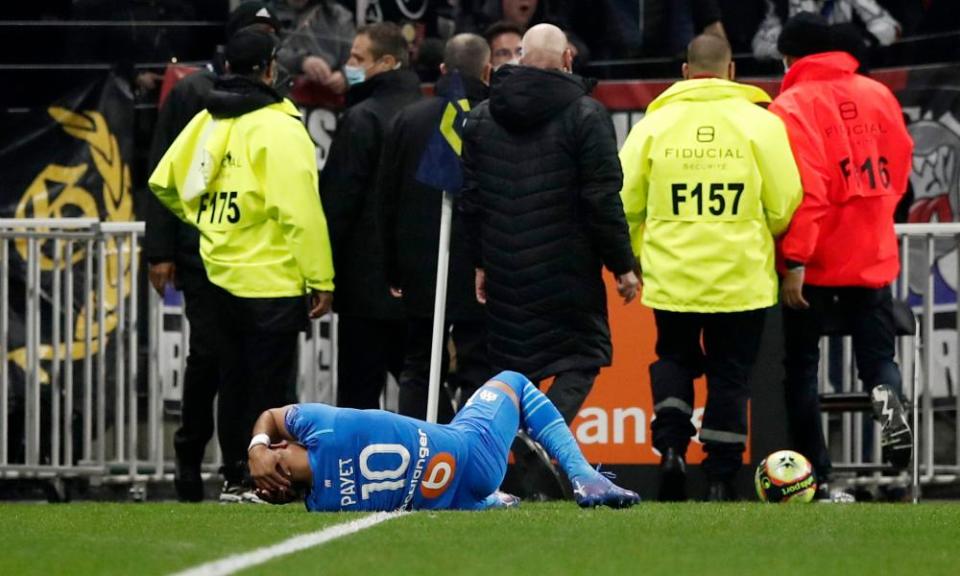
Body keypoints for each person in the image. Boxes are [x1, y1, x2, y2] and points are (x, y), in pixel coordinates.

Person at [149, 29, 335, 502]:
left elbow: (165, 184)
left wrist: (210, 223)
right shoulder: (279, 125)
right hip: (270, 277)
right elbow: (299, 211)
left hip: (218, 273)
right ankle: (268, 479)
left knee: (231, 382)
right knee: (271, 393)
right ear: (271, 67)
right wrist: (321, 277)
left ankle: (236, 475)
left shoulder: (208, 121)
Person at [619, 33, 802, 501]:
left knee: (673, 359)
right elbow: (784, 201)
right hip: (742, 277)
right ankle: (721, 476)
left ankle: (671, 451)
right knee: (731, 374)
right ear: (732, 70)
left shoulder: (653, 125)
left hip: (673, 274)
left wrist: (644, 250)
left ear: (685, 72)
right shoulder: (760, 124)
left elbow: (624, 201)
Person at [460, 24, 639, 429]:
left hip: (505, 268)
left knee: (515, 372)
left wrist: (481, 263)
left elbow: (471, 202)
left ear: (521, 57)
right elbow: (602, 199)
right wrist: (622, 265)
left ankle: (517, 450)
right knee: (583, 357)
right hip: (568, 271)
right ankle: (535, 447)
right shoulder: (586, 114)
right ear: (568, 58)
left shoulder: (481, 118)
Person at [769, 12, 914, 498]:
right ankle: (888, 396)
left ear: (790, 56)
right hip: (871, 253)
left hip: (816, 262)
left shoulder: (791, 105)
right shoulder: (878, 94)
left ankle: (818, 472)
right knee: (878, 357)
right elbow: (902, 164)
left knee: (802, 369)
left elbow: (809, 192)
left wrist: (796, 262)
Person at [144, 1, 281, 502]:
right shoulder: (192, 94)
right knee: (208, 358)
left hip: (254, 255)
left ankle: (237, 467)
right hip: (200, 251)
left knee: (239, 364)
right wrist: (160, 249)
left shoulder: (272, 101)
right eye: (257, 32)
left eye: (269, 32)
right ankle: (189, 455)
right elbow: (163, 170)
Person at [246, 370, 640, 510]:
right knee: (514, 383)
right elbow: (273, 417)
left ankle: (490, 501)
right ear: (280, 446)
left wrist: (274, 476)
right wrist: (256, 447)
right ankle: (584, 476)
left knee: (422, 493)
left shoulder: (324, 504)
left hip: (460, 492)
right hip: (471, 448)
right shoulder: (320, 427)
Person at [380, 34, 493, 422]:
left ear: (443, 70)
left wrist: (392, 266)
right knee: (481, 370)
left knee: (419, 369)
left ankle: (421, 461)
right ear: (488, 71)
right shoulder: (498, 119)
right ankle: (477, 464)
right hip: (482, 267)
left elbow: (387, 199)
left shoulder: (408, 120)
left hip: (420, 266)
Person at [319, 23, 422, 409]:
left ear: (388, 62)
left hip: (365, 288)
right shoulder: (427, 115)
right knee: (422, 395)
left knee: (359, 399)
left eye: (357, 58)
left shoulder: (362, 119)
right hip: (418, 287)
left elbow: (338, 202)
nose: (348, 65)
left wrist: (322, 275)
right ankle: (443, 467)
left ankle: (358, 470)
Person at [752, 0, 900, 60]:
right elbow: (760, 47)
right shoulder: (781, 4)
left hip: (845, 67)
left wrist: (856, 40)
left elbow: (891, 28)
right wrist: (791, 47)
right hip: (802, 73)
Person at [274, 0, 355, 96]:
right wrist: (301, 61)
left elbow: (365, 66)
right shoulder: (264, 13)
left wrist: (347, 77)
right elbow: (258, 55)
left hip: (328, 102)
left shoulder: (339, 15)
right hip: (277, 95)